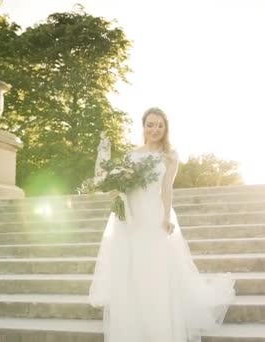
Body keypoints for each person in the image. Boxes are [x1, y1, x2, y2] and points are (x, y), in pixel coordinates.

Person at [89, 107, 235, 342]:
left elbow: (166, 188)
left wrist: (166, 217)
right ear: (143, 127)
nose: (155, 129)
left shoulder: (170, 156)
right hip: (130, 216)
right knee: (132, 268)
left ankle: (159, 326)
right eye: (150, 124)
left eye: (159, 125)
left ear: (165, 128)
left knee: (155, 268)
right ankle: (134, 324)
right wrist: (116, 191)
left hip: (153, 214)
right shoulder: (131, 155)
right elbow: (116, 184)